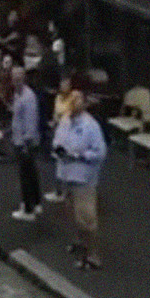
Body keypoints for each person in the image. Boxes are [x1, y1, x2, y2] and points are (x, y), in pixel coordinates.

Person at [51, 83, 108, 269]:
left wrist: (80, 155)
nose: (73, 103)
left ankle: (93, 257)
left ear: (84, 104)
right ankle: (80, 243)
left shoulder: (90, 126)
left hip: (83, 179)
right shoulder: (66, 119)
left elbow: (100, 152)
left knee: (86, 219)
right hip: (67, 176)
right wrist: (58, 149)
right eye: (71, 99)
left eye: (78, 99)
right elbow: (57, 139)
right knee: (72, 213)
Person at [9, 65, 42, 221]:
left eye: (19, 78)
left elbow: (30, 122)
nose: (16, 81)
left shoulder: (28, 97)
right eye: (14, 78)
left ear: (24, 78)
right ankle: (36, 203)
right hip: (21, 140)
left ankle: (28, 210)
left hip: (25, 143)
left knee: (25, 177)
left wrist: (25, 145)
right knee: (31, 173)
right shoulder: (18, 94)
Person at [44, 70, 81, 203]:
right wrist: (53, 122)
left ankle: (64, 193)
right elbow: (56, 114)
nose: (64, 87)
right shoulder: (58, 98)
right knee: (59, 164)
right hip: (58, 133)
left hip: (70, 135)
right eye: (62, 84)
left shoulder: (74, 98)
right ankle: (60, 191)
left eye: (67, 85)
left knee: (67, 164)